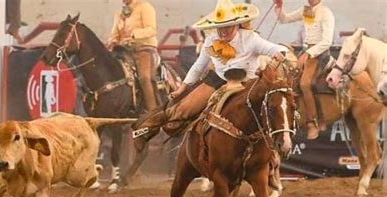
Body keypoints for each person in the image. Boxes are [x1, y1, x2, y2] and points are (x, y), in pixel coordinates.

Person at [133, 0, 287, 133]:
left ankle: (274, 153)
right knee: (182, 110)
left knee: (273, 115)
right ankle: (147, 128)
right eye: (220, 27)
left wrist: (279, 54)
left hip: (248, 85)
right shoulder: (211, 40)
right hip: (217, 81)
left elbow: (277, 49)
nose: (223, 31)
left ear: (236, 25)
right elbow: (198, 67)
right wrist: (182, 88)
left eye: (228, 27)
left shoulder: (251, 38)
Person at [275, 0, 335, 139]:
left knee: (305, 83)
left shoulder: (326, 13)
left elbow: (327, 41)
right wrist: (279, 8)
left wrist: (309, 53)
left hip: (320, 54)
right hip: (306, 52)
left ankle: (313, 122)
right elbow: (284, 19)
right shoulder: (305, 10)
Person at [107, 0, 159, 112]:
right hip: (123, 51)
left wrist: (133, 34)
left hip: (143, 49)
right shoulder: (119, 14)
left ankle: (153, 112)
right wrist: (112, 41)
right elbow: (114, 34)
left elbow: (152, 30)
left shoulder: (145, 7)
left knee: (144, 78)